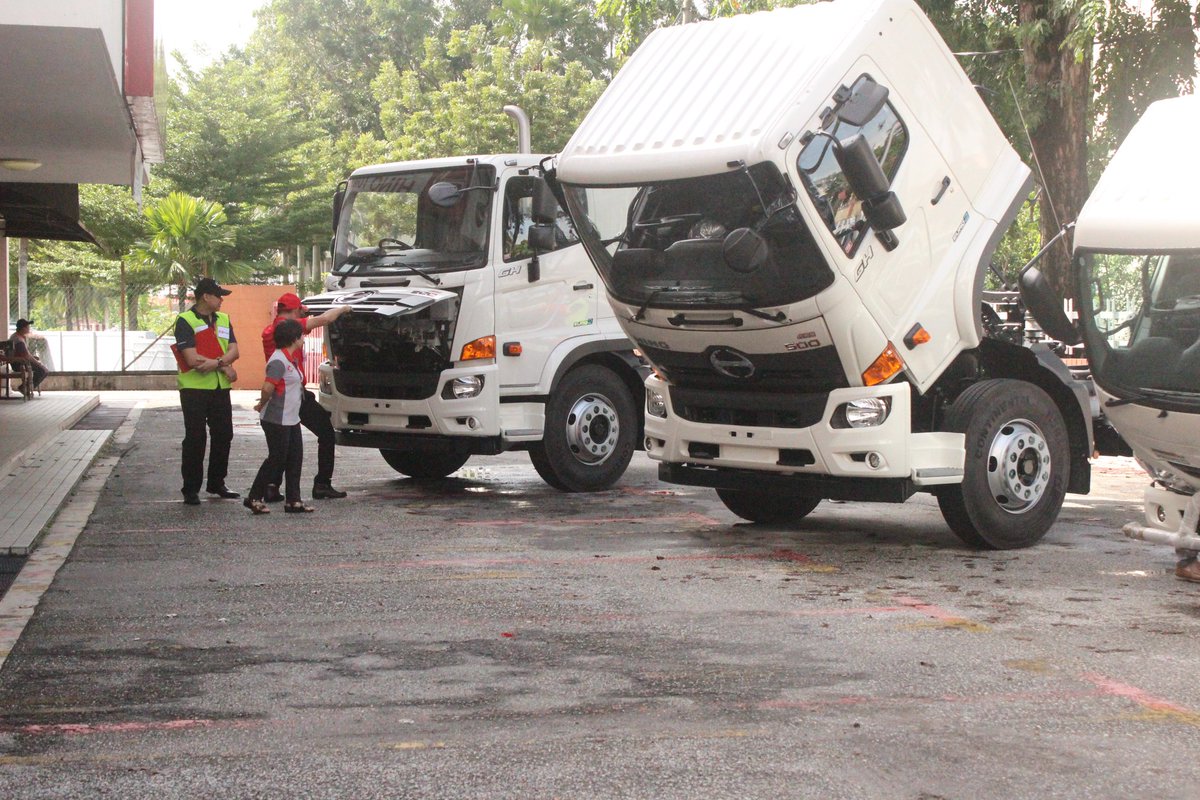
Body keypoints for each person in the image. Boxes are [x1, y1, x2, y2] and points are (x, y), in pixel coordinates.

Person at [260, 292, 352, 501]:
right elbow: (326, 320)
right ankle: (322, 484)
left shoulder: (271, 329)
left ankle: (271, 487)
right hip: (292, 392)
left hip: (282, 393)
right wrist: (345, 308)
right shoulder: (288, 328)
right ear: (294, 312)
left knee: (282, 446)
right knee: (325, 433)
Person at [174, 277, 241, 506]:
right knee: (195, 438)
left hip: (220, 387)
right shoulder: (185, 320)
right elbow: (191, 359)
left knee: (224, 434)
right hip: (194, 388)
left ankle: (216, 482)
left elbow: (234, 350)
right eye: (218, 295)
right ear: (206, 296)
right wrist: (223, 364)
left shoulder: (223, 319)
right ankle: (191, 489)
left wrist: (218, 362)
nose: (222, 300)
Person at [245, 319, 312, 515]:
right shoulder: (278, 360)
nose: (303, 338)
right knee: (276, 459)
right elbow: (267, 387)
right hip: (277, 418)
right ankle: (254, 497)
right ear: (294, 338)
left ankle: (294, 500)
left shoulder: (290, 358)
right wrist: (261, 403)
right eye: (301, 335)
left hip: (291, 418)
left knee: (295, 458)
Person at [9, 318, 49, 395]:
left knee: (42, 369)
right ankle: (24, 388)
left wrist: (34, 359)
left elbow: (25, 354)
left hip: (21, 362)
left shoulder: (17, 336)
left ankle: (25, 387)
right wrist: (40, 364)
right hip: (19, 364)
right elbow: (27, 356)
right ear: (23, 328)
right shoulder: (18, 340)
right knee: (43, 371)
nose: (29, 329)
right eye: (28, 327)